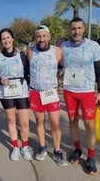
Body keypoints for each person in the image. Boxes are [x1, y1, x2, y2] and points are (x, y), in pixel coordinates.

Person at [61, 17, 100, 175]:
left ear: (84, 29)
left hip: (86, 92)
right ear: (69, 30)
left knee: (89, 125)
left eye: (79, 28)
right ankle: (78, 150)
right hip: (69, 91)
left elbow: (99, 71)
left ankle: (91, 157)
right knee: (73, 121)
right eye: (73, 28)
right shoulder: (63, 46)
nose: (76, 31)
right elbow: (58, 65)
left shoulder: (93, 46)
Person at [27, 25, 68, 167]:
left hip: (51, 92)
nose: (41, 39)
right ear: (35, 38)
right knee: (39, 122)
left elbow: (66, 66)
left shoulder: (57, 51)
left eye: (44, 36)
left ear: (49, 37)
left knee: (55, 123)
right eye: (38, 36)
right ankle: (42, 148)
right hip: (36, 92)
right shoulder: (30, 51)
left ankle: (57, 151)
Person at [0, 28, 31, 161]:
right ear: (1, 42)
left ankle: (24, 147)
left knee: (24, 123)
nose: (6, 40)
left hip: (21, 91)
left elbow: (27, 72)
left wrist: (29, 86)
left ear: (12, 39)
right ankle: (15, 147)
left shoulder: (21, 56)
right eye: (3, 39)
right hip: (6, 92)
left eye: (8, 37)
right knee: (11, 120)